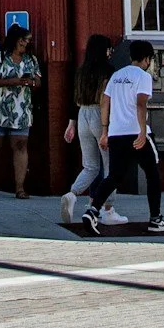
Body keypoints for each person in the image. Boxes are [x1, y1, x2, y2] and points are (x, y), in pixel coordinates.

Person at [82, 39, 164, 235]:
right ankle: (155, 219)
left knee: (114, 176)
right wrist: (141, 131)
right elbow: (141, 104)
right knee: (153, 173)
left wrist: (104, 132)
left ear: (131, 57)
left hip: (116, 133)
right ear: (147, 59)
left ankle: (92, 211)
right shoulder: (143, 76)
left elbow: (105, 102)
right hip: (136, 133)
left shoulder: (116, 76)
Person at [0, 24, 41, 197]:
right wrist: (14, 81)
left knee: (20, 145)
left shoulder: (31, 60)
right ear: (14, 40)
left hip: (21, 109)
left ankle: (20, 188)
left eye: (27, 40)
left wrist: (30, 83)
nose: (25, 43)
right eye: (23, 40)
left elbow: (38, 82)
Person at [61, 34, 116, 225]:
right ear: (104, 50)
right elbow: (104, 101)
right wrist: (105, 129)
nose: (110, 52)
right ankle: (108, 209)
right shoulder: (108, 71)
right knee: (110, 166)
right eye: (109, 49)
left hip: (82, 114)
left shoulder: (81, 70)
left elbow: (74, 97)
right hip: (99, 116)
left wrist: (71, 124)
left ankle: (72, 193)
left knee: (90, 166)